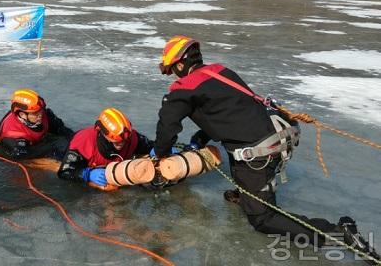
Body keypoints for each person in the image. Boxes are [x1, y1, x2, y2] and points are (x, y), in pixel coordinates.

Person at [153, 35, 379, 264]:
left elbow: (166, 128)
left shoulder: (184, 88)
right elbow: (230, 112)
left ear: (180, 64)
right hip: (279, 135)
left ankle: (339, 234)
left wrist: (159, 156)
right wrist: (200, 137)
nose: (173, 74)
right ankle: (247, 193)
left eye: (172, 69)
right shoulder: (220, 72)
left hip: (259, 152)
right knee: (239, 155)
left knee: (262, 219)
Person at [57, 107, 153, 188]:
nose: (121, 144)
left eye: (124, 141)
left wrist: (157, 150)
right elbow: (65, 171)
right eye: (117, 141)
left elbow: (151, 146)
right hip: (67, 154)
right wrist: (87, 174)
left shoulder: (132, 138)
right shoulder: (84, 143)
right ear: (103, 134)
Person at [0, 88, 73, 159]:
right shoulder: (12, 135)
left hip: (37, 141)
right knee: (58, 146)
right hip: (24, 152)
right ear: (22, 115)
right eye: (35, 113)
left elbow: (61, 128)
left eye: (41, 111)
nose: (40, 115)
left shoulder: (43, 115)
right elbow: (21, 156)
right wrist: (52, 146)